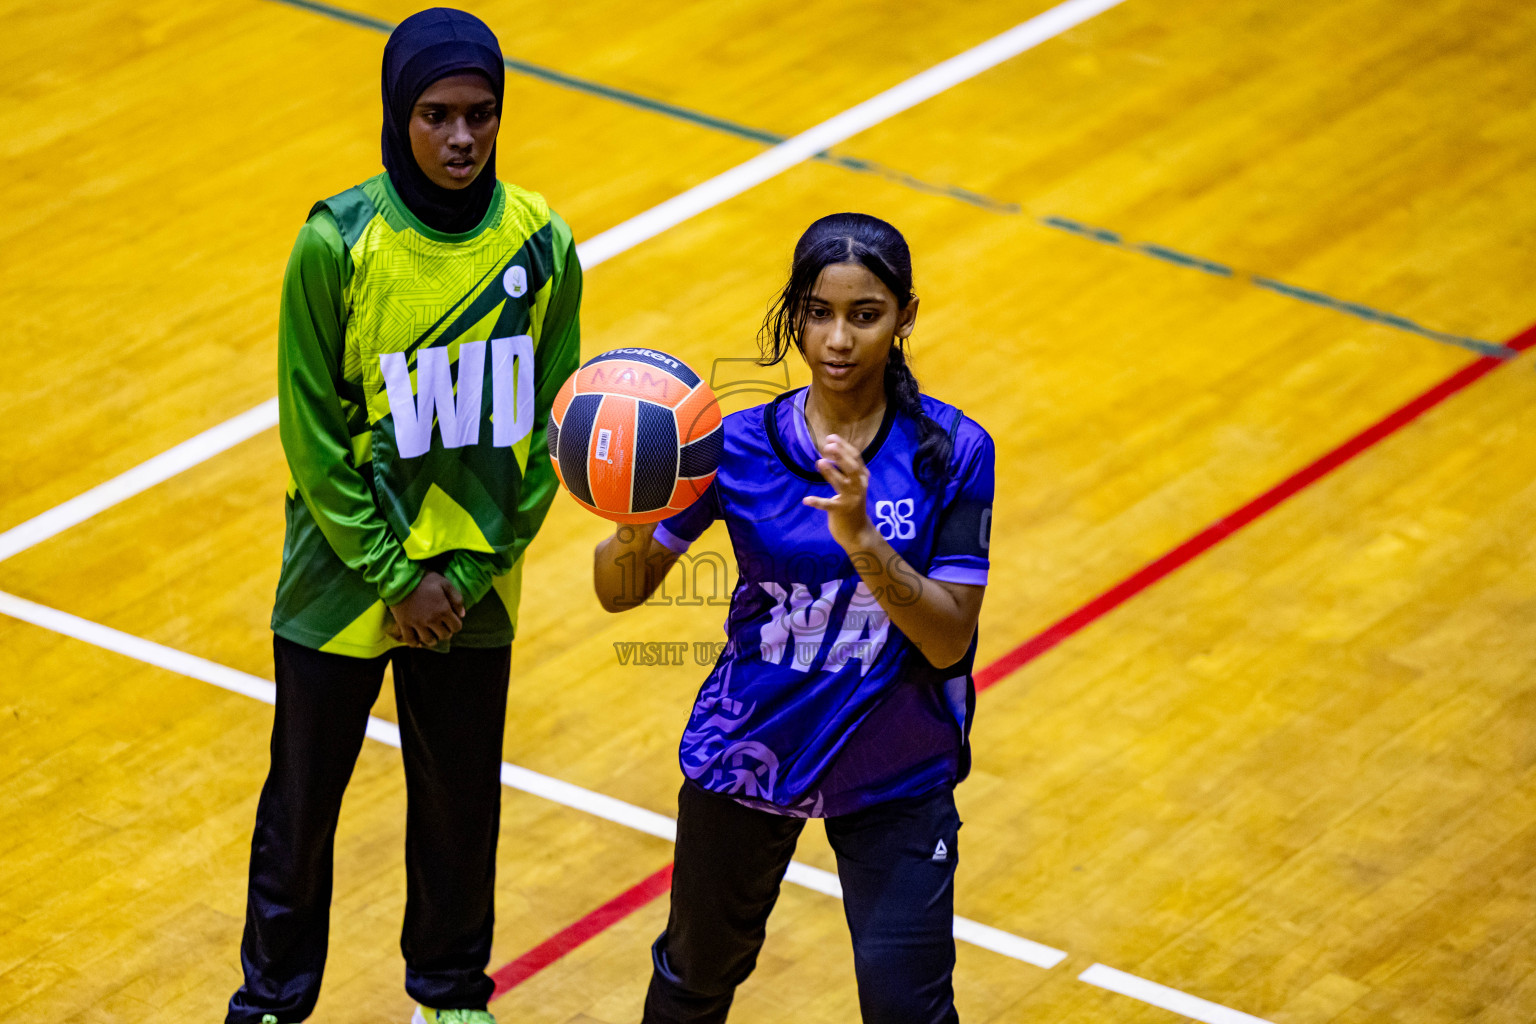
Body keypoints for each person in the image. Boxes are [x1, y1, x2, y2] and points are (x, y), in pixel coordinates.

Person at [228, 9, 581, 1024]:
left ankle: (451, 997)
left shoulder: (542, 243)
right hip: (341, 580)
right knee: (300, 808)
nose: (461, 139)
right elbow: (312, 435)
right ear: (398, 114)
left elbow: (554, 435)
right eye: (436, 116)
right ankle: (270, 1000)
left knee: (462, 805)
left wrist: (463, 578)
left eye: (481, 116)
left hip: (474, 583)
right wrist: (398, 576)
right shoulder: (336, 242)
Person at [593, 213, 995, 1024]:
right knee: (694, 979)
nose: (838, 339)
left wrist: (861, 539)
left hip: (896, 764)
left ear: (905, 317)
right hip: (752, 751)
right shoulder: (731, 445)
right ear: (794, 315)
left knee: (907, 1011)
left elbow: (950, 636)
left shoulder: (950, 450)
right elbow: (617, 589)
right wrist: (636, 502)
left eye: (865, 314)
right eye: (817, 313)